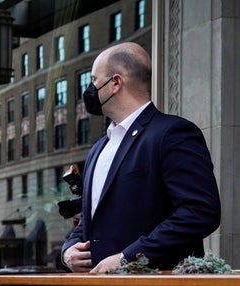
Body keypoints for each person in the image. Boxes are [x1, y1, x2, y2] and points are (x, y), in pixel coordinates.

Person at [61, 42, 220, 273]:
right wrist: (69, 250)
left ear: (115, 83)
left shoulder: (173, 133)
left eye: (94, 80)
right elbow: (91, 218)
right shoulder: (98, 148)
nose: (90, 88)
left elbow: (200, 213)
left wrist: (128, 257)